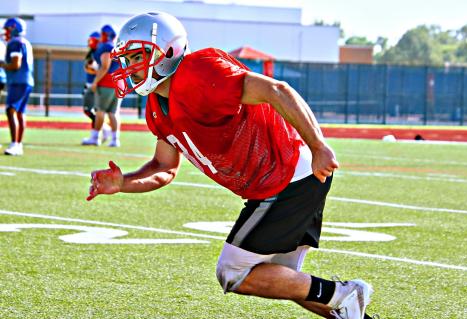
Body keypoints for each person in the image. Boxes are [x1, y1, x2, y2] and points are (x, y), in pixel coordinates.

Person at [86, 12, 374, 319]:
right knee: (283, 281)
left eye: (137, 56)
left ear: (167, 51)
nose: (129, 67)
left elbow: (277, 90)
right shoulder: (157, 107)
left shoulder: (201, 71)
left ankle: (344, 294)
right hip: (279, 183)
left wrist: (318, 145)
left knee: (233, 271)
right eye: (127, 58)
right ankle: (350, 308)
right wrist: (123, 183)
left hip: (289, 175)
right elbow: (164, 167)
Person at [82, 24, 121, 147]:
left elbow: (105, 66)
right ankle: (115, 139)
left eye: (103, 33)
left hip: (107, 82)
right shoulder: (115, 46)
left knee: (100, 111)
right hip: (118, 82)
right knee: (113, 113)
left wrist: (95, 82)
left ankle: (95, 137)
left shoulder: (107, 47)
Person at [0, 17, 34, 156]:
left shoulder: (15, 42)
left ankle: (15, 144)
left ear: (14, 28)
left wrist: (2, 64)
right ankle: (18, 144)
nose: (6, 32)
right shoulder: (24, 42)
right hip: (26, 81)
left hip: (19, 81)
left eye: (8, 29)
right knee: (20, 112)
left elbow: (15, 64)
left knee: (10, 110)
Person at [81, 31, 111, 144]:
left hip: (95, 85)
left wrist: (93, 69)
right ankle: (102, 130)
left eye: (93, 39)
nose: (90, 42)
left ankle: (100, 132)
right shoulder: (93, 52)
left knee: (90, 110)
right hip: (90, 83)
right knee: (90, 110)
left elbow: (99, 69)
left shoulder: (100, 52)